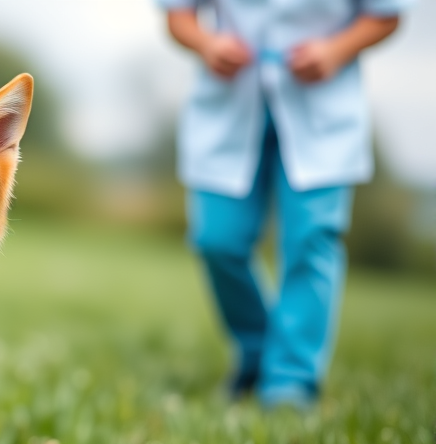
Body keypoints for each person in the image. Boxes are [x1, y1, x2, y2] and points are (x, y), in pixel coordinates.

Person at [159, 0, 410, 407]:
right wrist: (207, 44)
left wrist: (335, 50)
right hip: (230, 101)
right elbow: (177, 13)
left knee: (311, 240)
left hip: (322, 107)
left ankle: (290, 383)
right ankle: (258, 353)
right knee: (215, 239)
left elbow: (387, 14)